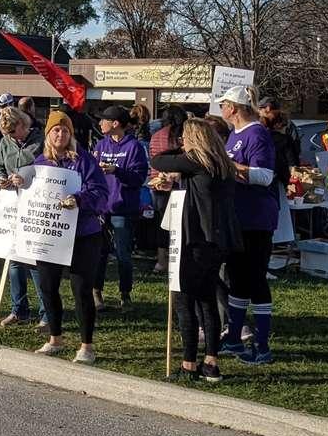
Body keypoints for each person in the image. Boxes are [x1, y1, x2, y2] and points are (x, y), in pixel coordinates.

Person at [150, 118, 244, 383]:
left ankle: (189, 363)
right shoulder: (222, 164)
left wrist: (181, 154)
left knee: (184, 302)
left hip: (195, 241)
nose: (182, 143)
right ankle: (211, 361)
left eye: (185, 138)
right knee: (207, 301)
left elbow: (158, 160)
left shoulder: (196, 161)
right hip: (218, 240)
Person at [29, 111, 109, 364]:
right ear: (48, 134)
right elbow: (31, 194)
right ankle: (56, 338)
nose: (60, 134)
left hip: (83, 234)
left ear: (71, 134)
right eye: (56, 130)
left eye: (65, 130)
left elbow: (100, 191)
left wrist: (79, 200)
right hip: (50, 234)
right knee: (48, 287)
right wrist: (18, 183)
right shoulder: (40, 162)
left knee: (81, 290)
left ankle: (87, 346)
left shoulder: (83, 160)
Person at [216, 86, 279, 365]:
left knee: (255, 281)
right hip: (237, 218)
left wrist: (231, 168)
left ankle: (263, 345)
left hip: (255, 219)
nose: (221, 109)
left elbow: (265, 176)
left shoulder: (257, 133)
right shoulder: (234, 135)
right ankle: (233, 339)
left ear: (234, 108)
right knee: (237, 280)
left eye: (224, 104)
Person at [0, 106, 49, 330]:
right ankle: (19, 310)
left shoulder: (41, 140)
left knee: (35, 260)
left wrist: (28, 179)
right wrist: (0, 179)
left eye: (12, 132)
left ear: (22, 125)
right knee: (15, 259)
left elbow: (49, 169)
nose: (9, 137)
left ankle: (47, 313)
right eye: (5, 134)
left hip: (36, 203)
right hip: (12, 203)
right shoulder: (5, 141)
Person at [93, 104, 149, 310]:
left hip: (124, 209)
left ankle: (125, 294)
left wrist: (117, 170)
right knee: (99, 253)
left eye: (103, 119)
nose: (100, 123)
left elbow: (139, 178)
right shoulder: (100, 145)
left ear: (115, 123)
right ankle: (96, 292)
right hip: (102, 209)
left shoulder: (134, 147)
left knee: (123, 255)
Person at [149, 105, 188, 273]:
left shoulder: (156, 135)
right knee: (180, 224)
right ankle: (178, 260)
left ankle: (161, 261)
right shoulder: (183, 136)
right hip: (179, 184)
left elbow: (153, 157)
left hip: (158, 184)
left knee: (161, 223)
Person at [257, 97, 301, 163]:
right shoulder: (288, 124)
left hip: (279, 166)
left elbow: (295, 147)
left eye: (260, 109)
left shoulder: (287, 125)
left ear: (267, 108)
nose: (259, 112)